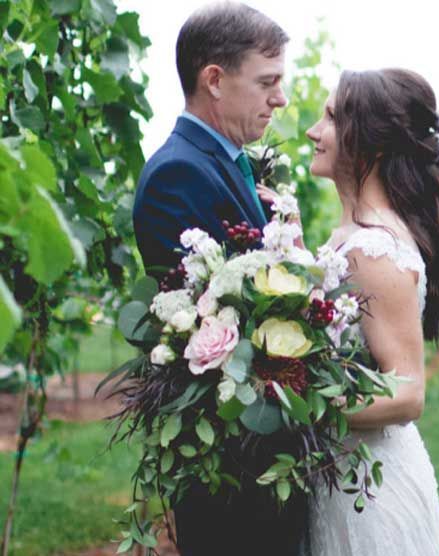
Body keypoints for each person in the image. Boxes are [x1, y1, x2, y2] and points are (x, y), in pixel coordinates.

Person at [132, 3, 308, 555]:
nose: (279, 99)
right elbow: (217, 317)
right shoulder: (179, 173)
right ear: (214, 79)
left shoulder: (225, 161)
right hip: (232, 465)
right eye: (267, 82)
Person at [305, 68, 439, 556]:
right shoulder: (352, 237)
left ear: (367, 144)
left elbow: (408, 392)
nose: (313, 130)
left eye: (330, 118)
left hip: (370, 494)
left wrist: (301, 410)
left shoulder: (372, 249)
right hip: (343, 480)